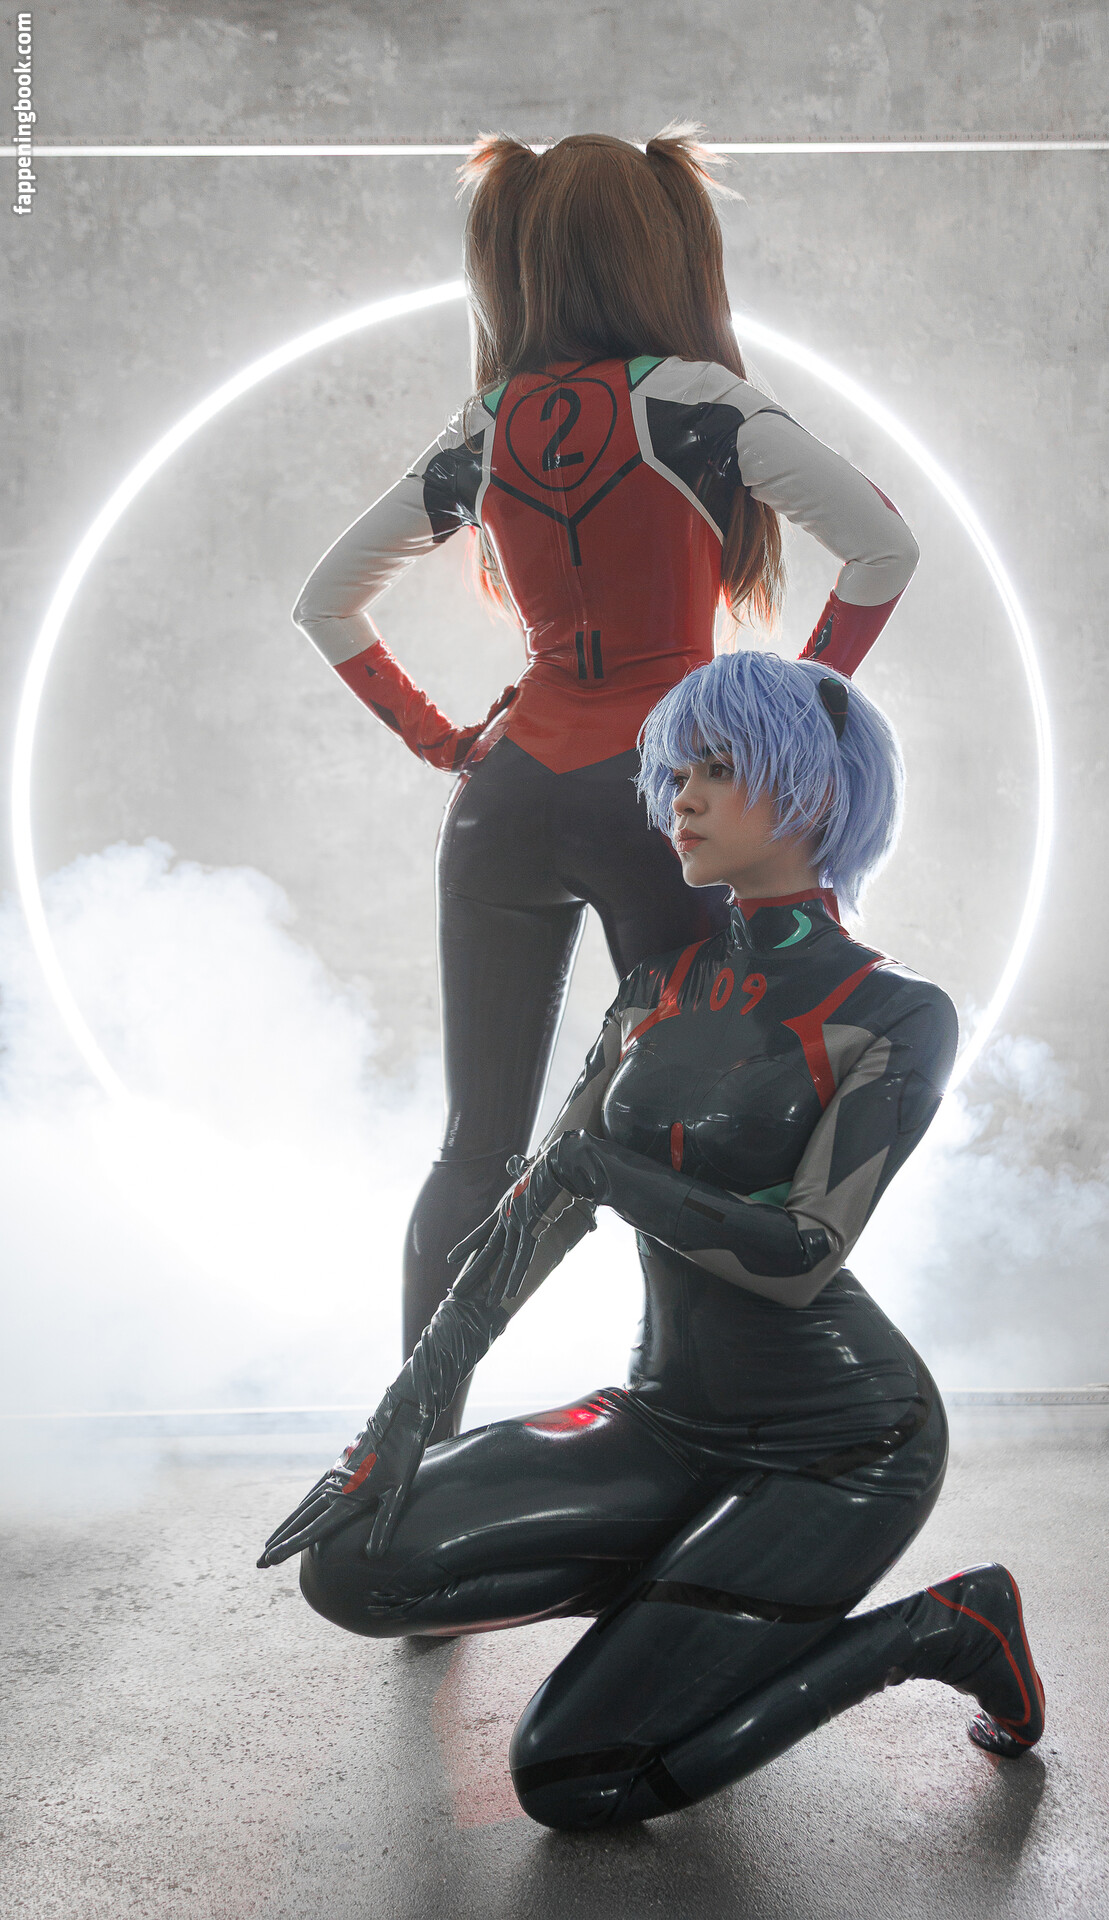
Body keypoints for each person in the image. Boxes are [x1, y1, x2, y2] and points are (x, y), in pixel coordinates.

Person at [257, 651, 1045, 1832]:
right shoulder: (656, 984)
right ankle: (693, 1597)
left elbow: (801, 1254)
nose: (680, 797)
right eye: (675, 772)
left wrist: (605, 1171)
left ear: (814, 792)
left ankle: (945, 1627)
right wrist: (396, 1422)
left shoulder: (895, 1013)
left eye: (716, 770)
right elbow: (537, 1208)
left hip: (838, 1446)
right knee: (357, 1563)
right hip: (664, 1418)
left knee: (577, 1781)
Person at [289, 126, 920, 1386]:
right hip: (659, 804)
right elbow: (882, 547)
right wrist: (773, 725)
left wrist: (444, 742)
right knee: (683, 1131)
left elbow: (325, 603)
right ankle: (682, 1407)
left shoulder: (486, 425)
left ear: (517, 253)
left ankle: (408, 1445)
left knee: (475, 1144)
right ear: (664, 246)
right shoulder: (699, 404)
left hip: (505, 800)